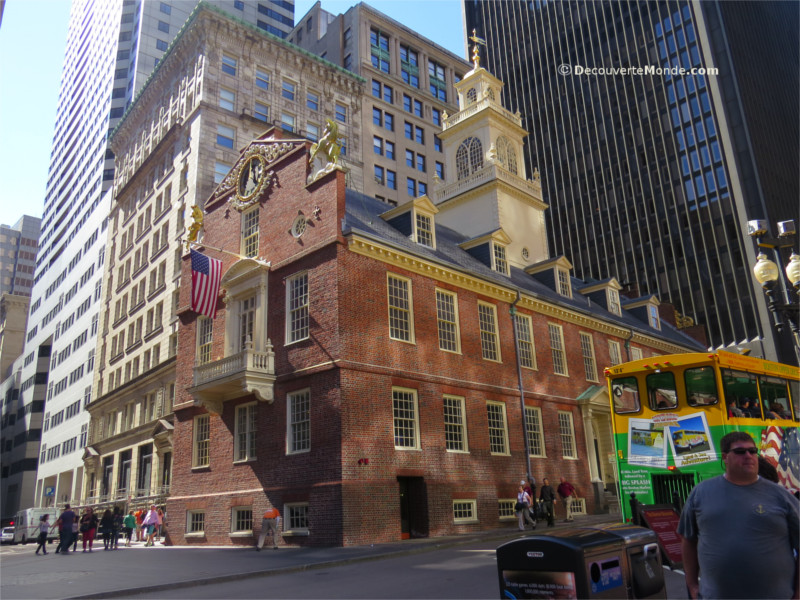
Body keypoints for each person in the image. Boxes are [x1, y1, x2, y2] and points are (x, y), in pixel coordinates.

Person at [678, 431, 799, 600]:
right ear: (725, 457)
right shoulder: (700, 493)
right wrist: (691, 584)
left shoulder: (782, 496)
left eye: (752, 451)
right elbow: (688, 539)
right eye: (740, 452)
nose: (748, 455)